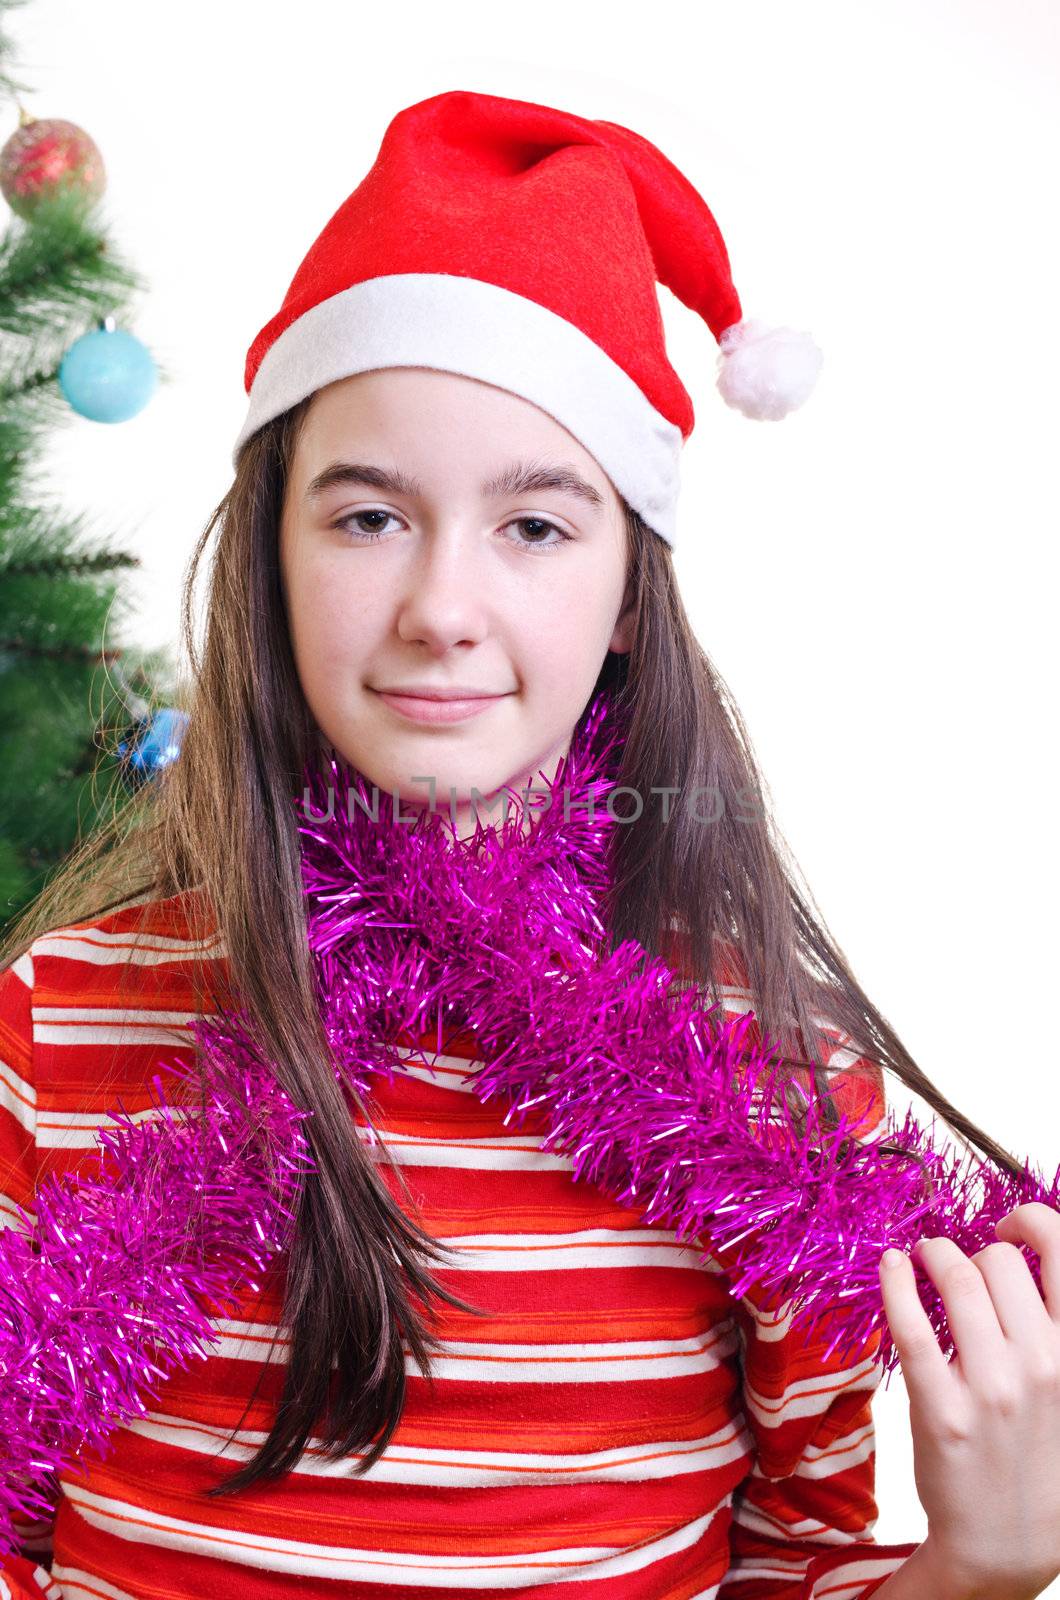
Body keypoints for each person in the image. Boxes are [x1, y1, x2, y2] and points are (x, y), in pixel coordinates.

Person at [0, 88, 1056, 1600]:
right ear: (273, 554)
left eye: (537, 527)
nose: (441, 606)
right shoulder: (63, 1016)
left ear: (630, 595)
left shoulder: (778, 1091)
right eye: (366, 518)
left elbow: (790, 1560)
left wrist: (980, 1568)